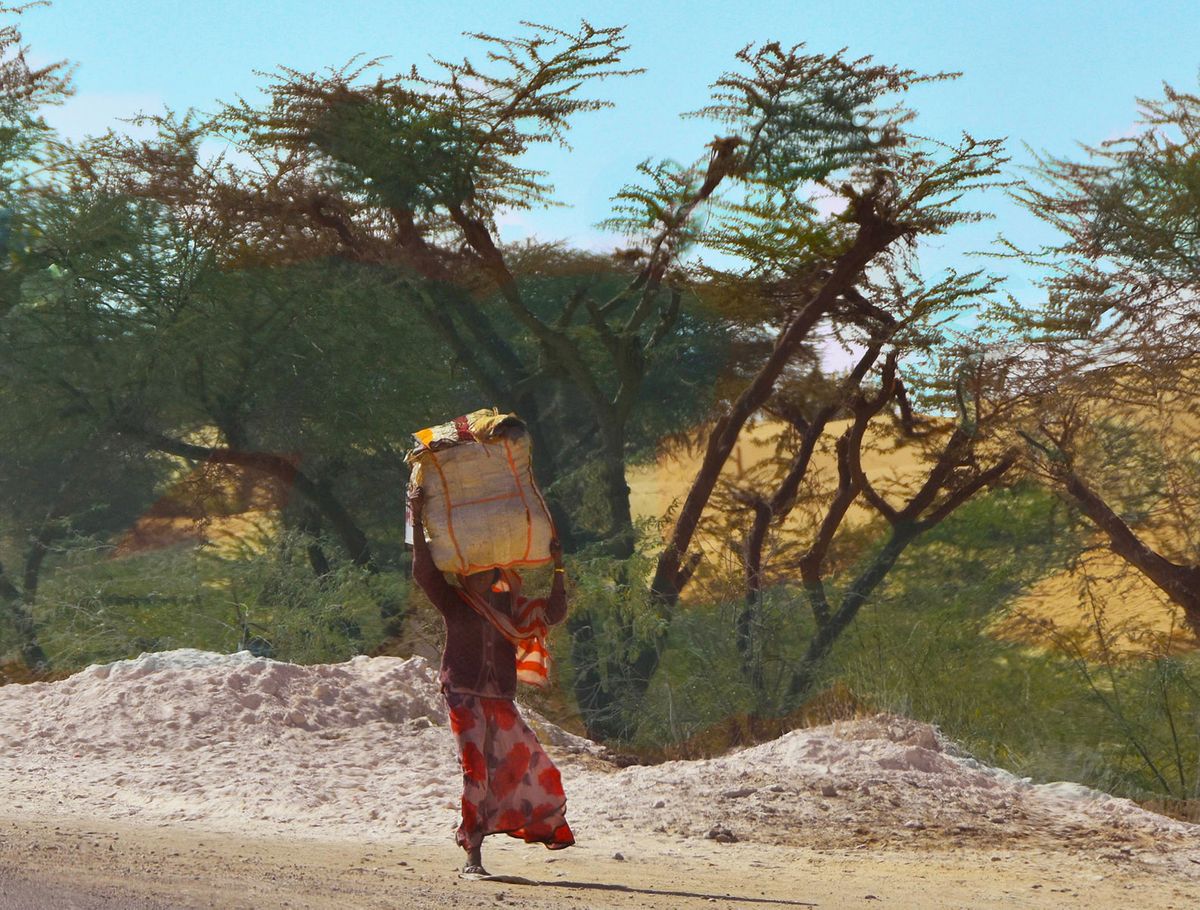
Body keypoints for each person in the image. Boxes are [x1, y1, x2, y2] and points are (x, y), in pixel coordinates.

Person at [408, 488, 575, 877]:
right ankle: (473, 854)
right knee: (476, 771)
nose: (481, 574)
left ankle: (519, 827)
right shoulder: (454, 602)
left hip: (500, 697)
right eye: (475, 568)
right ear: (466, 571)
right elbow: (422, 570)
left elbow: (554, 612)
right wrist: (416, 518)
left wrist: (559, 566)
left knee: (531, 765)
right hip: (463, 694)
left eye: (487, 569)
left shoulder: (509, 607)